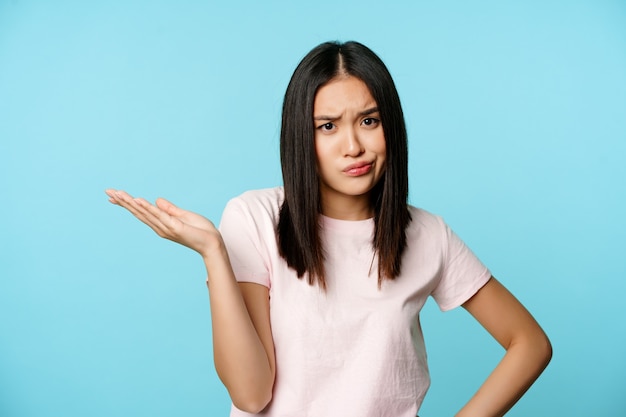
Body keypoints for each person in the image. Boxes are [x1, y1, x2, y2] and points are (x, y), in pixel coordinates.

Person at [105, 41, 552, 417]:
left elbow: (530, 343)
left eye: (369, 121)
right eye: (328, 126)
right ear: (302, 136)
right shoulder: (253, 217)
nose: (353, 145)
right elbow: (251, 393)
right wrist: (214, 256)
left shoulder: (427, 234)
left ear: (390, 126)